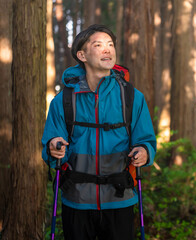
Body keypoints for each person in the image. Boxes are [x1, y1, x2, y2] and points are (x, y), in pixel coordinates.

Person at [42, 24, 156, 240]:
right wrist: (53, 148)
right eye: (99, 45)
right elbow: (51, 145)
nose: (107, 50)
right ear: (82, 55)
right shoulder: (63, 101)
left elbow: (146, 140)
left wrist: (144, 151)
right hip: (76, 199)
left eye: (110, 45)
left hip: (120, 197)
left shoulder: (132, 97)